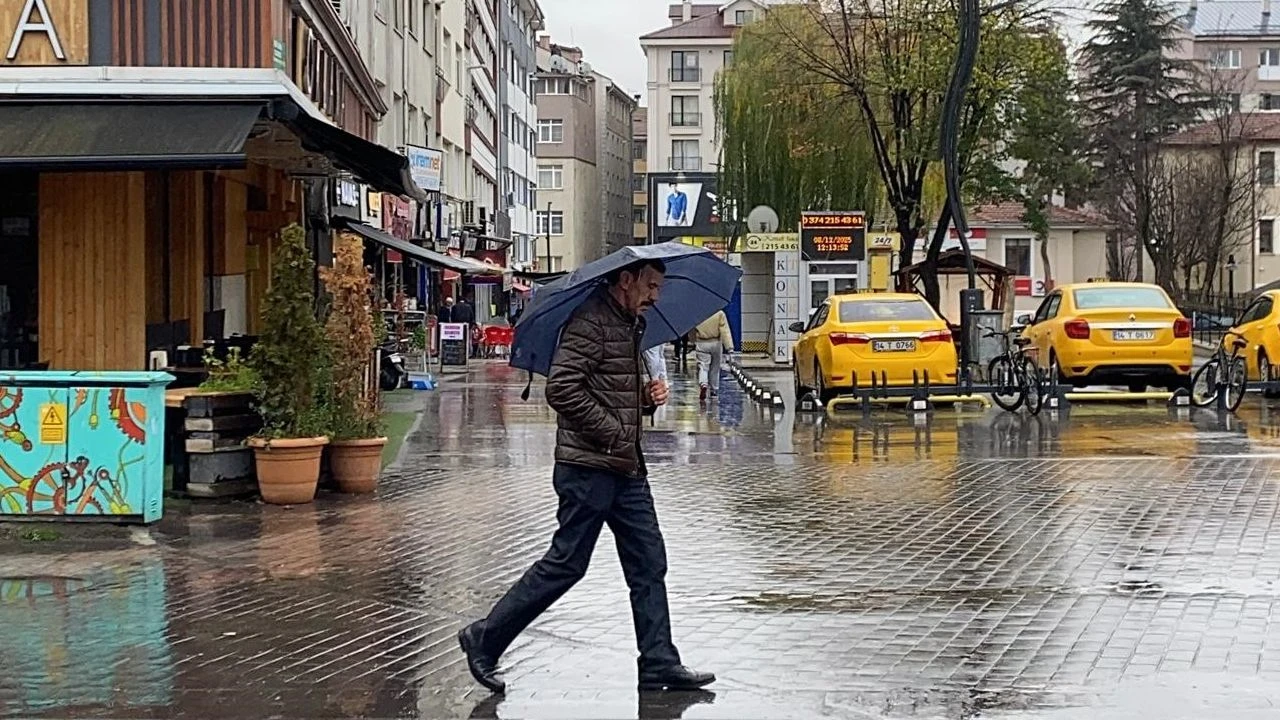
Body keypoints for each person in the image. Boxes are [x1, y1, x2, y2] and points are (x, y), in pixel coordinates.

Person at [457, 258, 715, 694]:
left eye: (659, 288)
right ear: (625, 280)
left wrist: (647, 400)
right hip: (588, 468)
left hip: (625, 467)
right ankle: (485, 637)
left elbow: (611, 389)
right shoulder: (590, 323)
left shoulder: (628, 324)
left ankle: (658, 662)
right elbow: (562, 389)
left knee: (649, 562)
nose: (656, 296)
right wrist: (613, 431)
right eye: (651, 285)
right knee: (567, 564)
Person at [693, 309, 733, 401]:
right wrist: (729, 347)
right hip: (715, 342)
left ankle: (703, 383)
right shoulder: (719, 313)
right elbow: (724, 330)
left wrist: (693, 340)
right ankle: (714, 389)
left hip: (701, 342)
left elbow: (692, 329)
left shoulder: (697, 313)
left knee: (703, 366)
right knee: (715, 367)